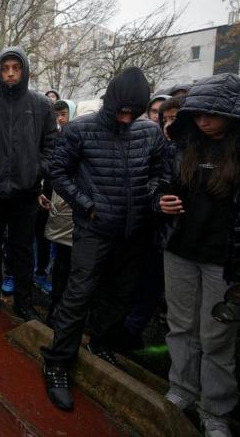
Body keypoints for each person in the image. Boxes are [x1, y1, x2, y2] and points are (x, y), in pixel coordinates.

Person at [41, 67, 165, 411]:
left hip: (134, 232)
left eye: (133, 112)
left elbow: (159, 174)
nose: (126, 118)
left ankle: (100, 342)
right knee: (78, 295)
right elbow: (57, 170)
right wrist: (86, 205)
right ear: (110, 102)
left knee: (119, 295)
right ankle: (57, 362)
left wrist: (153, 199)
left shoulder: (150, 133)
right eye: (121, 110)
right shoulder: (82, 128)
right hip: (94, 229)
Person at [154, 73, 240, 437]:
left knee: (218, 336)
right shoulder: (182, 145)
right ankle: (182, 388)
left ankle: (216, 410)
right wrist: (159, 201)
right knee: (181, 324)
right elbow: (158, 185)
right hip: (180, 250)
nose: (204, 119)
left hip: (225, 260)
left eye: (212, 113)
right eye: (198, 112)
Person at [0, 46, 57, 319]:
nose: (10, 74)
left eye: (16, 68)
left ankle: (24, 301)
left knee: (23, 250)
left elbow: (51, 145)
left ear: (24, 70)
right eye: (5, 69)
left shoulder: (41, 105)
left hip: (26, 192)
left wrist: (37, 171)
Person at [43, 99, 77, 326]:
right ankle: (56, 306)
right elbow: (50, 170)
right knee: (62, 260)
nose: (60, 119)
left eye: (64, 114)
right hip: (59, 205)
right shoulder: (52, 138)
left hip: (80, 206)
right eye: (57, 114)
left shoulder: (79, 136)